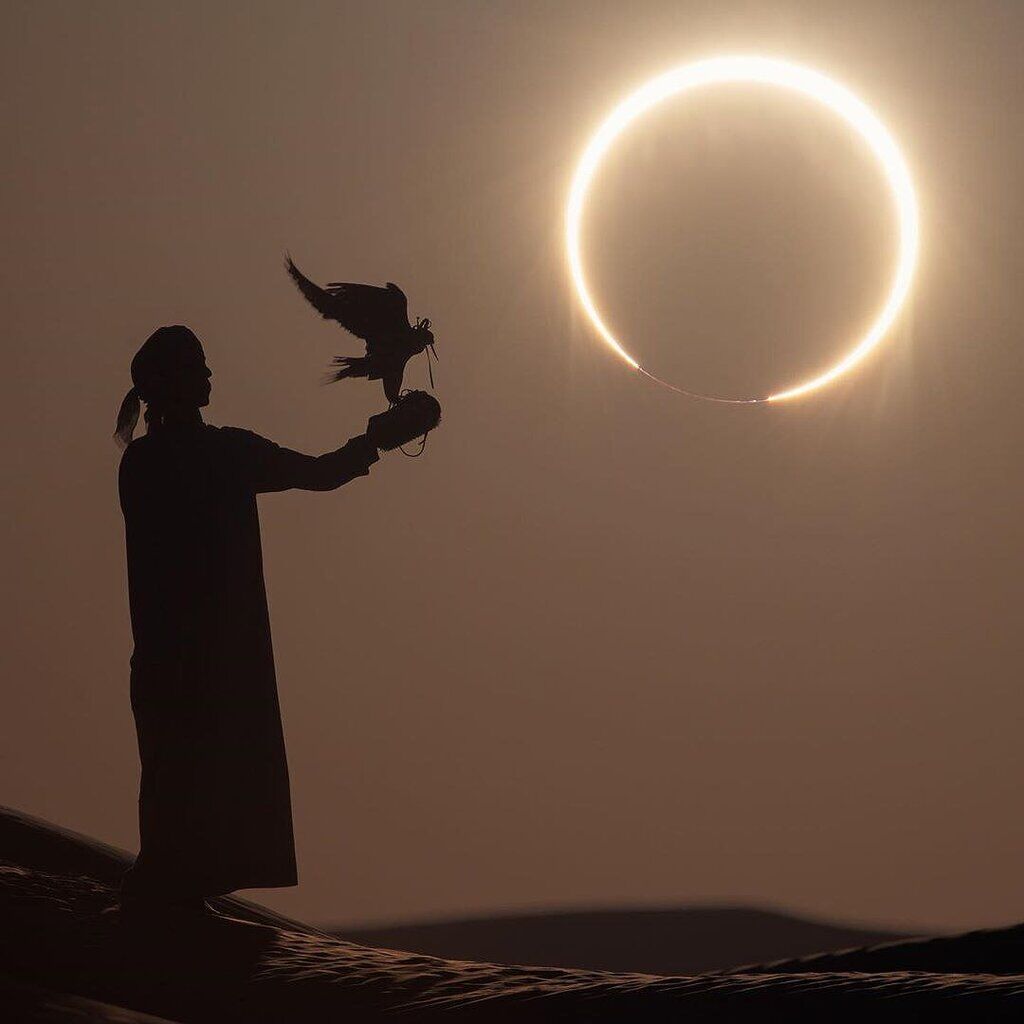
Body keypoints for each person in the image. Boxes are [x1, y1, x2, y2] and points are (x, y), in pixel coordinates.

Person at [115, 325, 413, 914]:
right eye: (198, 367)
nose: (209, 376)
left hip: (170, 662)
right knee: (194, 783)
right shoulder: (217, 455)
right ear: (174, 383)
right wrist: (376, 441)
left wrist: (372, 442)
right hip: (204, 663)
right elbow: (319, 473)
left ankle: (170, 906)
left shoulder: (155, 461)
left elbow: (319, 472)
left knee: (178, 783)